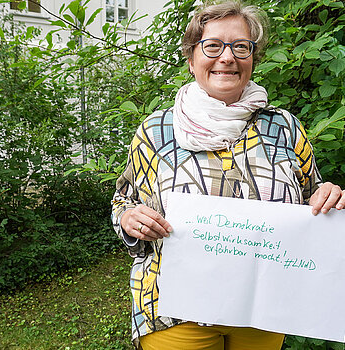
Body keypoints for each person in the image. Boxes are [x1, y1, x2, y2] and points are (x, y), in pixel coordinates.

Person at [112, 1, 345, 349]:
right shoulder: (157, 130)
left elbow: (313, 196)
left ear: (253, 58)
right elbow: (122, 203)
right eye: (213, 46)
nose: (227, 57)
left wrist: (329, 198)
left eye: (241, 46)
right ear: (192, 60)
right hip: (174, 311)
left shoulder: (284, 127)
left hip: (262, 310)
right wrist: (130, 218)